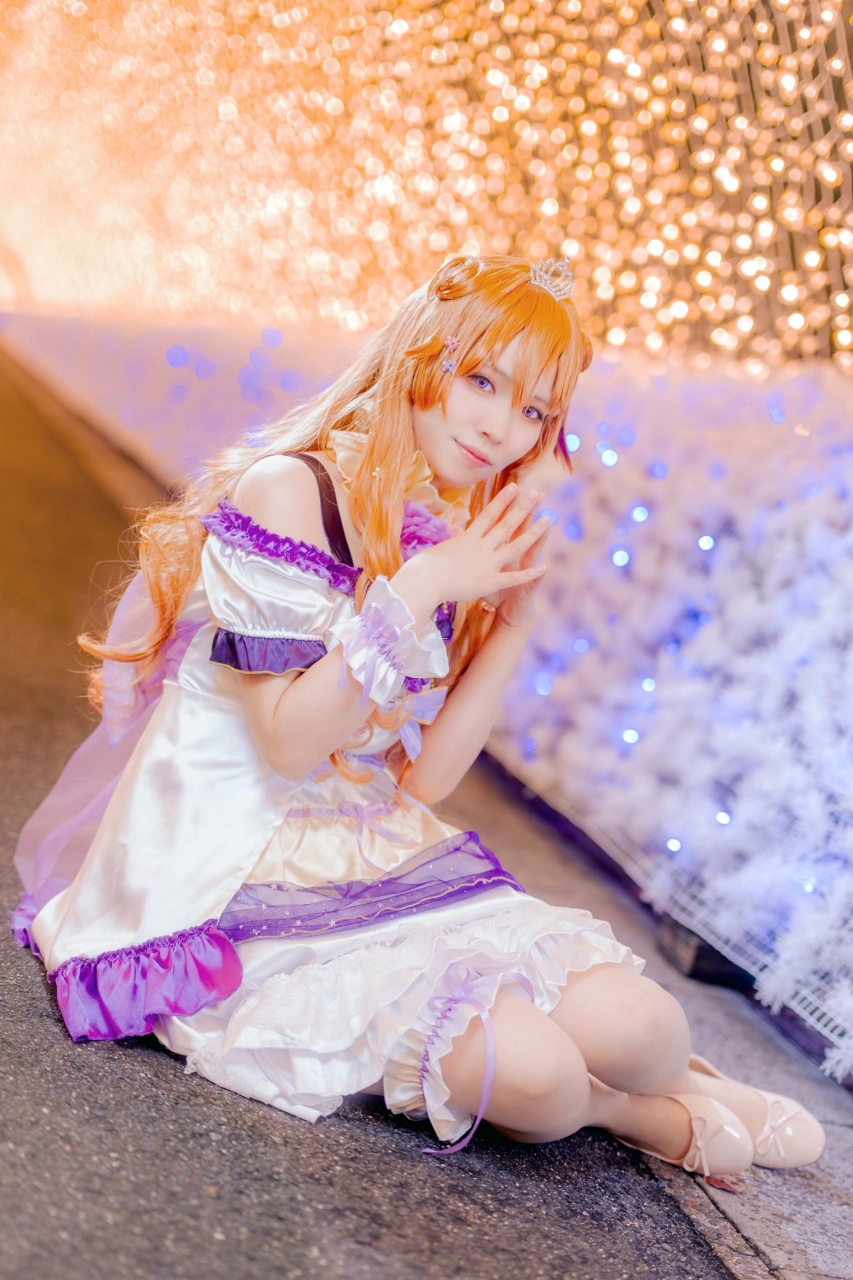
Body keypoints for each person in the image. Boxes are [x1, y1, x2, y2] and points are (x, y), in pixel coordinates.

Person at [13, 256, 824, 1174]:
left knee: (645, 1028)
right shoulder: (290, 491)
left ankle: (674, 1076)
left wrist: (512, 621)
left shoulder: (431, 526)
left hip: (370, 845)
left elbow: (425, 779)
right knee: (541, 1085)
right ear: (417, 357)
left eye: (534, 412)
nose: (500, 429)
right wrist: (424, 586)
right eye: (482, 381)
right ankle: (630, 1113)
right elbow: (286, 742)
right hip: (233, 862)